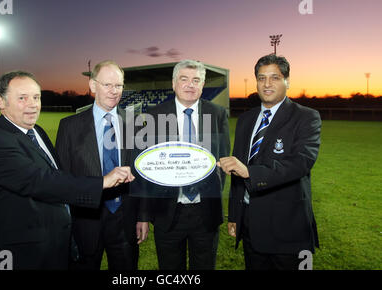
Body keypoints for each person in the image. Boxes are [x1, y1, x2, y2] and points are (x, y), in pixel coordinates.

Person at [0, 71, 134, 270]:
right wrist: (102, 182)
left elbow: (58, 174)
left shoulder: (35, 131)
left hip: (50, 245)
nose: (32, 104)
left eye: (36, 97)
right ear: (1, 101)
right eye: (22, 98)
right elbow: (41, 181)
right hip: (18, 252)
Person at [217, 54, 322, 270]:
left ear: (287, 81)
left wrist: (250, 172)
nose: (267, 84)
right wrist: (235, 215)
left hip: (288, 229)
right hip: (250, 226)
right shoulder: (246, 119)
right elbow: (237, 169)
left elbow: (301, 163)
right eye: (261, 78)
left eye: (275, 77)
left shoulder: (306, 117)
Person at [55, 60, 149, 270]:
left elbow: (141, 176)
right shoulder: (69, 127)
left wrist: (142, 216)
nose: (114, 91)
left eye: (118, 85)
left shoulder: (135, 124)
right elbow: (61, 180)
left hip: (125, 219)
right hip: (85, 220)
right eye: (107, 85)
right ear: (92, 85)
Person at [145, 59, 230, 270]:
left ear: (202, 85)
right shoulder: (155, 115)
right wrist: (145, 214)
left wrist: (211, 191)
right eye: (184, 79)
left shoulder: (218, 114)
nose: (190, 85)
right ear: (174, 83)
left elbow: (222, 158)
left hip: (205, 212)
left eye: (196, 80)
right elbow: (148, 168)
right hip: (168, 213)